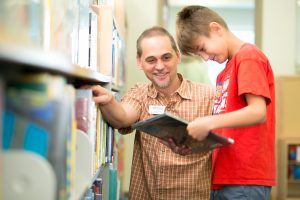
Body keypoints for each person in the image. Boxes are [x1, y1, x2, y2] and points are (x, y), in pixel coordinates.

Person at [90, 26, 215, 199]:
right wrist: (109, 100)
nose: (160, 66)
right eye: (151, 60)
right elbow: (122, 118)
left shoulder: (208, 96)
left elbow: (223, 144)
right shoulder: (139, 93)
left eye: (166, 57)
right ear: (139, 62)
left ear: (177, 56)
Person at [176, 5, 276, 200]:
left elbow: (258, 112)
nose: (205, 58)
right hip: (224, 175)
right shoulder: (224, 72)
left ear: (216, 29)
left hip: (245, 177)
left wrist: (208, 122)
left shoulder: (248, 57)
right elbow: (228, 126)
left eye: (202, 49)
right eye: (199, 55)